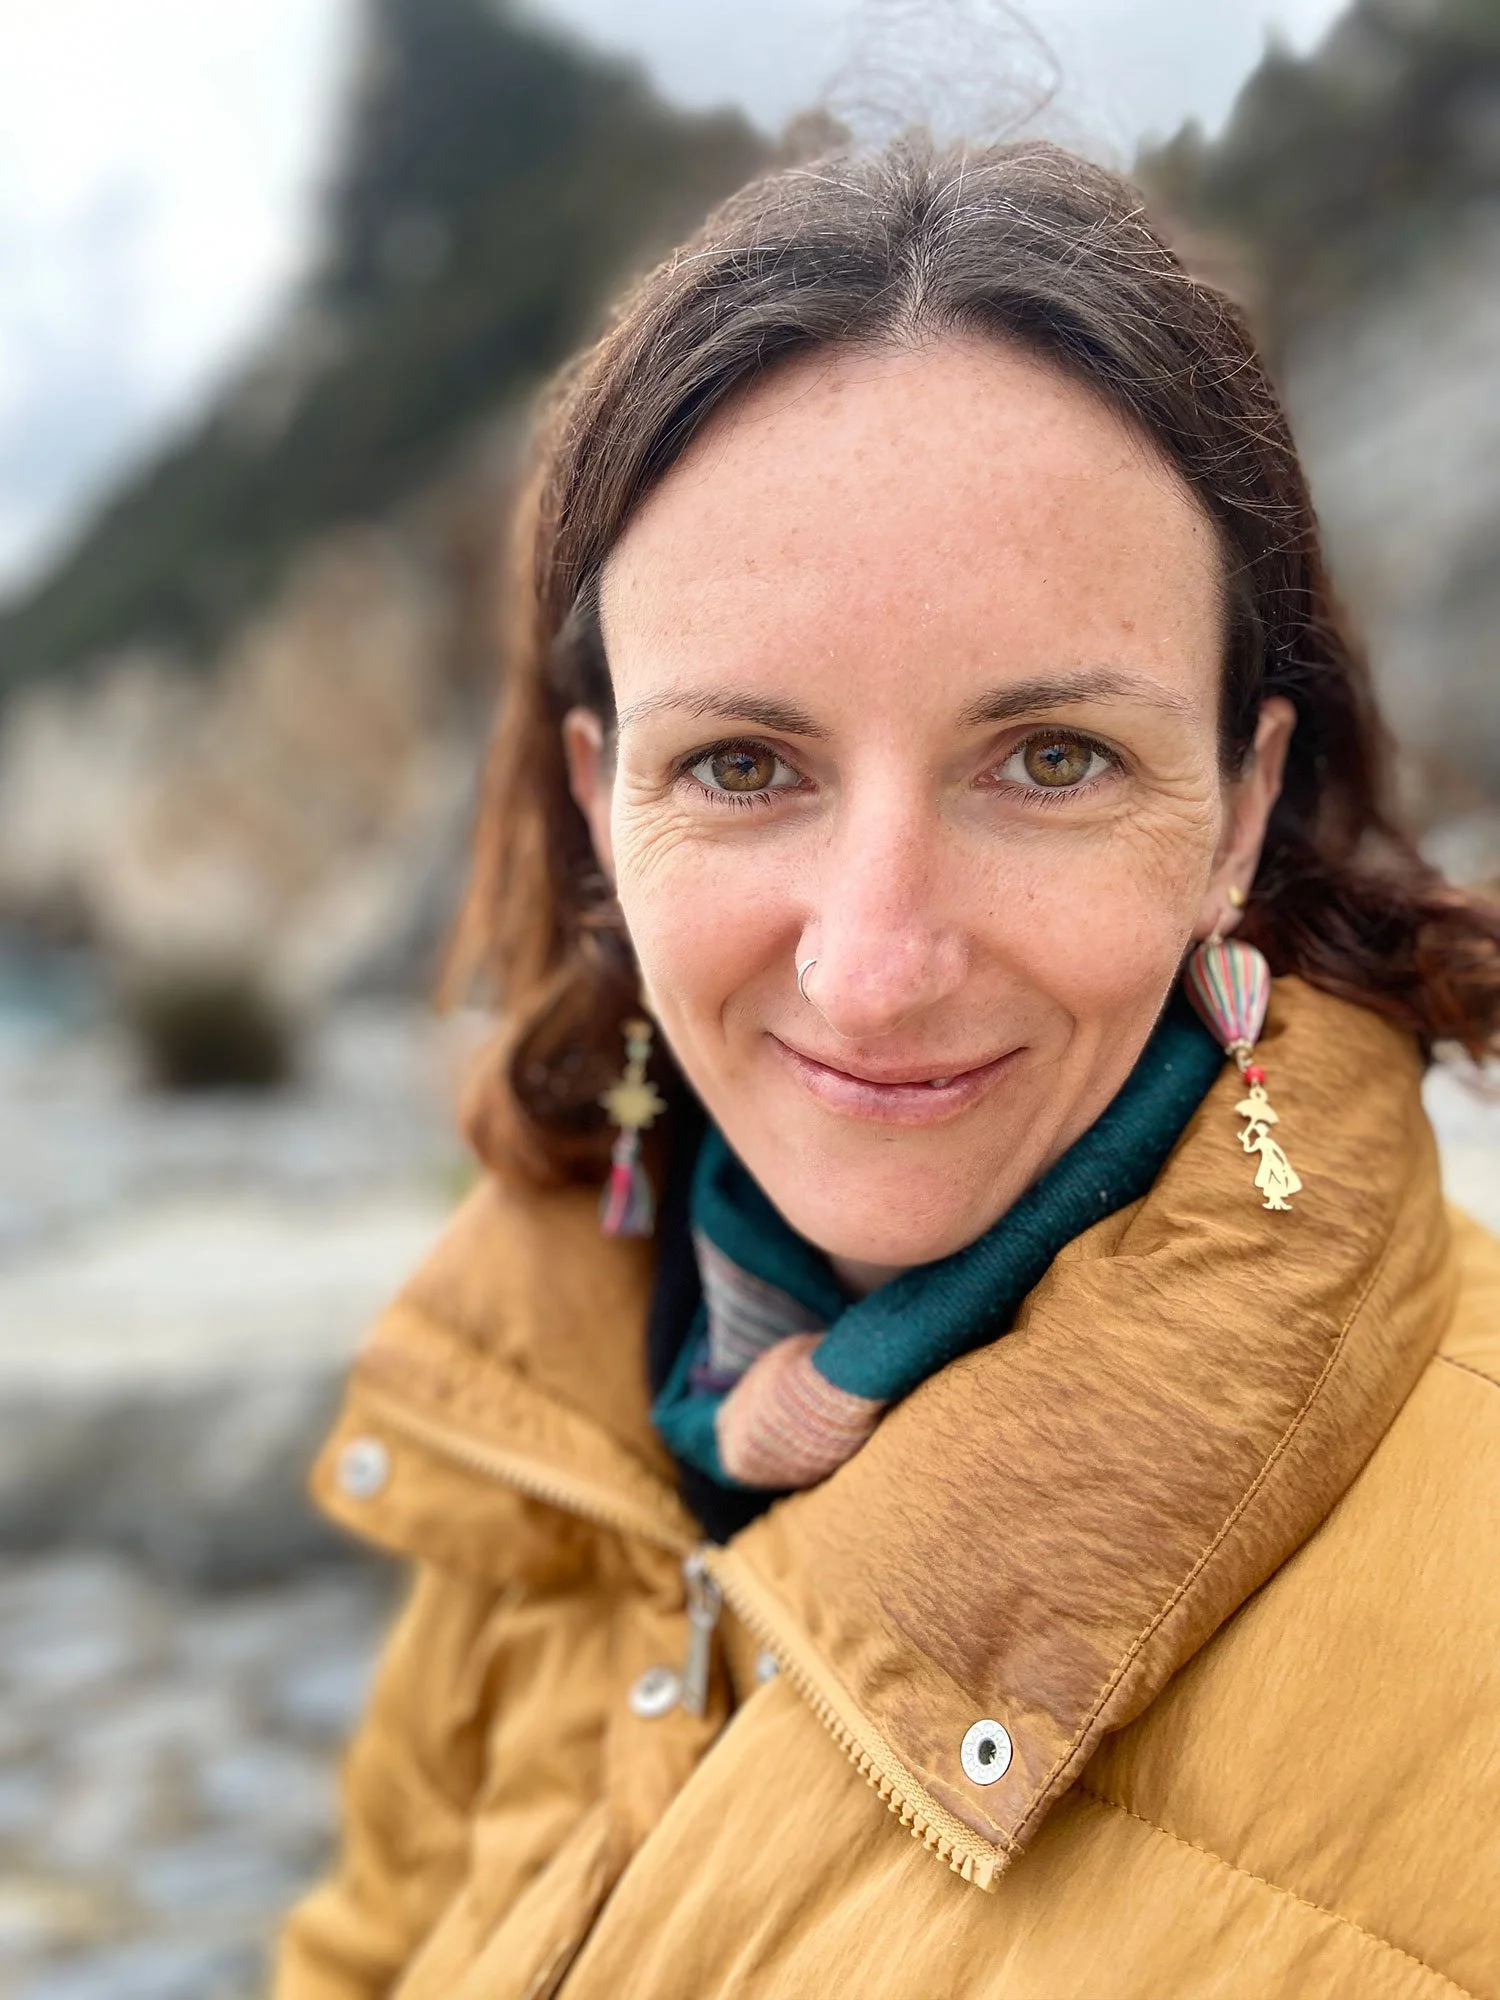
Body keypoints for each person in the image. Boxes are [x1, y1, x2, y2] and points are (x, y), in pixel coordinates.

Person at [275, 139, 1500, 1999]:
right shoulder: (553, 1388)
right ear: (604, 809)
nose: (872, 965)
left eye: (1052, 759)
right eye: (746, 767)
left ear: (1238, 810)